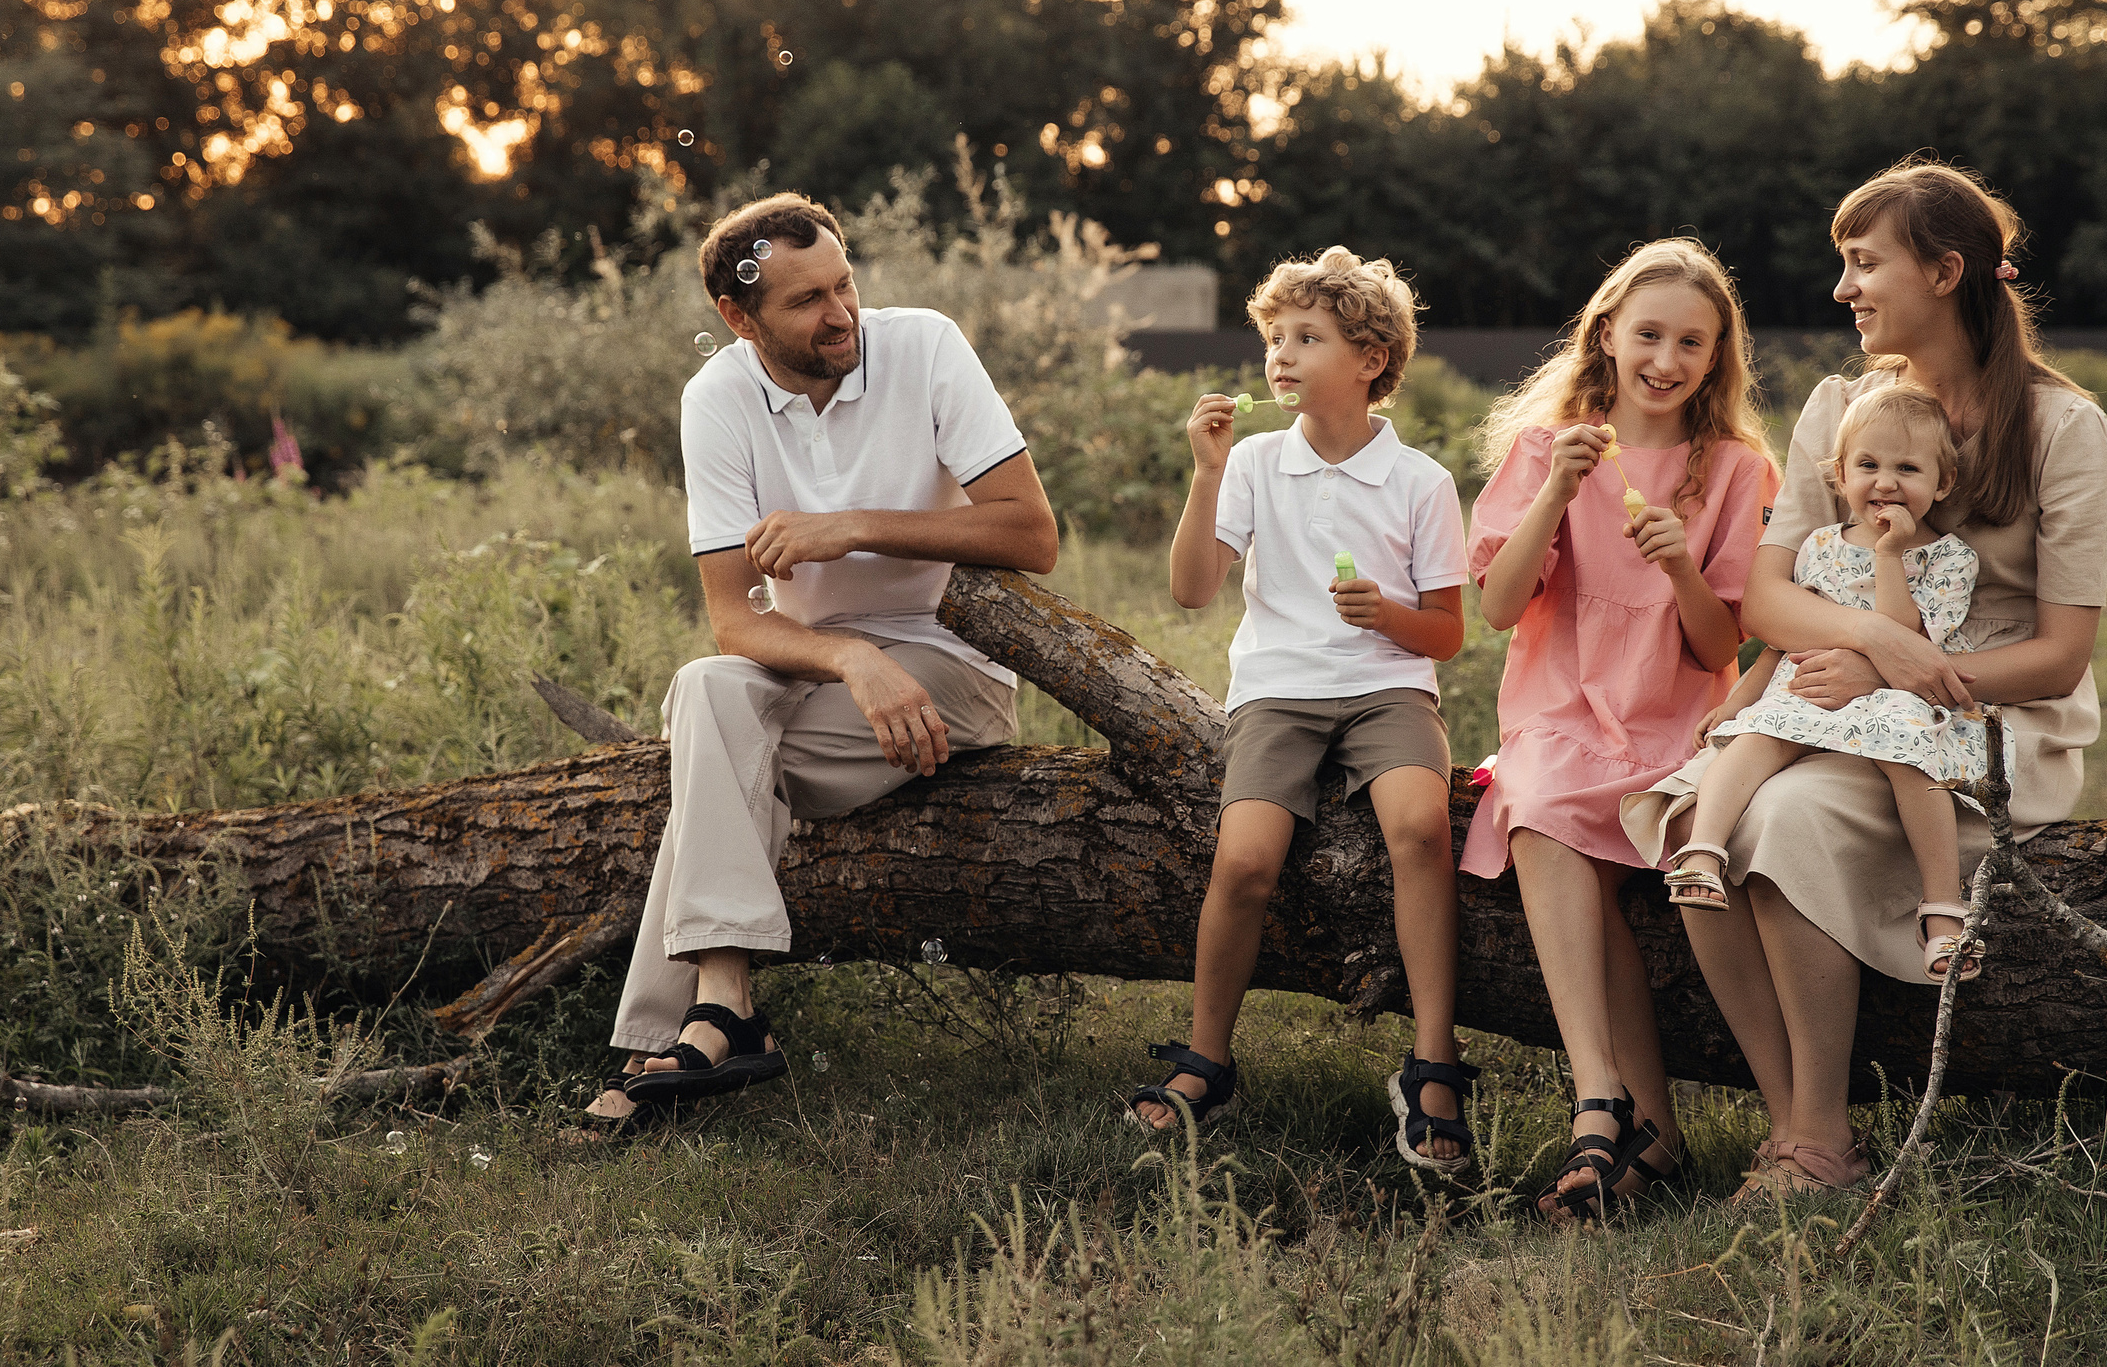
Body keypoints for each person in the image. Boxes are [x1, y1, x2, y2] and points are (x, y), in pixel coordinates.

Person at [1665, 160, 2107, 1201]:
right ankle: (1796, 1123)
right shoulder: (1840, 410)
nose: (1844, 289)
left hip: (1988, 714)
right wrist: (1873, 642)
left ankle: (1818, 1133)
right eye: (1844, 265)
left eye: (1865, 264)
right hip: (1835, 686)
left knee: (1785, 819)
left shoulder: (2063, 430)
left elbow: (2060, 654)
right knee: (1696, 811)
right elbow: (1768, 603)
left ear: (1946, 272)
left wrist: (1914, 667)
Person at [580, 193, 1060, 1136]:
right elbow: (731, 621)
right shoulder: (716, 398)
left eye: (844, 283)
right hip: (824, 682)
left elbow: (1034, 535)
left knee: (714, 749)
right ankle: (721, 1003)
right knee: (706, 687)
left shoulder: (923, 345)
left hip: (946, 677)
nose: (840, 312)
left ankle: (670, 1035)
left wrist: (852, 529)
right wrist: (846, 655)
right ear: (739, 316)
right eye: (805, 301)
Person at [1126, 247, 1478, 1172]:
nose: (1280, 355)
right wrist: (1203, 476)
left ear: (1370, 359)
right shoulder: (1248, 462)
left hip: (1388, 684)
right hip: (1279, 692)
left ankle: (1435, 1060)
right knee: (1244, 859)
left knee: (1419, 828)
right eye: (1274, 337)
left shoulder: (1420, 482)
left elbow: (1445, 635)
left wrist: (1388, 616)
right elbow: (1195, 591)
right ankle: (1208, 1058)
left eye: (1307, 338)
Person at [1460, 238, 1780, 1223]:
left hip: (1674, 720)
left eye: (1692, 341)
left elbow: (1719, 642)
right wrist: (1555, 491)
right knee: (1544, 806)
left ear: (1715, 356)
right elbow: (1499, 609)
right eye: (1648, 333)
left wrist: (1681, 564)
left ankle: (1640, 1128)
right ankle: (1606, 1100)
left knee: (1580, 834)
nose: (1666, 358)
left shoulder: (1733, 470)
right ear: (1607, 332)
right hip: (1561, 713)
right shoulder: (1544, 450)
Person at [1638, 381, 1993, 984]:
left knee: (1913, 758)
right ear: (1839, 475)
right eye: (1868, 465)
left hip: (1894, 698)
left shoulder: (1948, 558)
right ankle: (1703, 852)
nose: (1885, 482)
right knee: (1753, 738)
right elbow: (1782, 641)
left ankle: (1942, 909)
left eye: (1907, 468)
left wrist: (1889, 555)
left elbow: (1905, 640)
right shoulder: (1820, 546)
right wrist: (1739, 701)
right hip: (1815, 691)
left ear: (1943, 484)